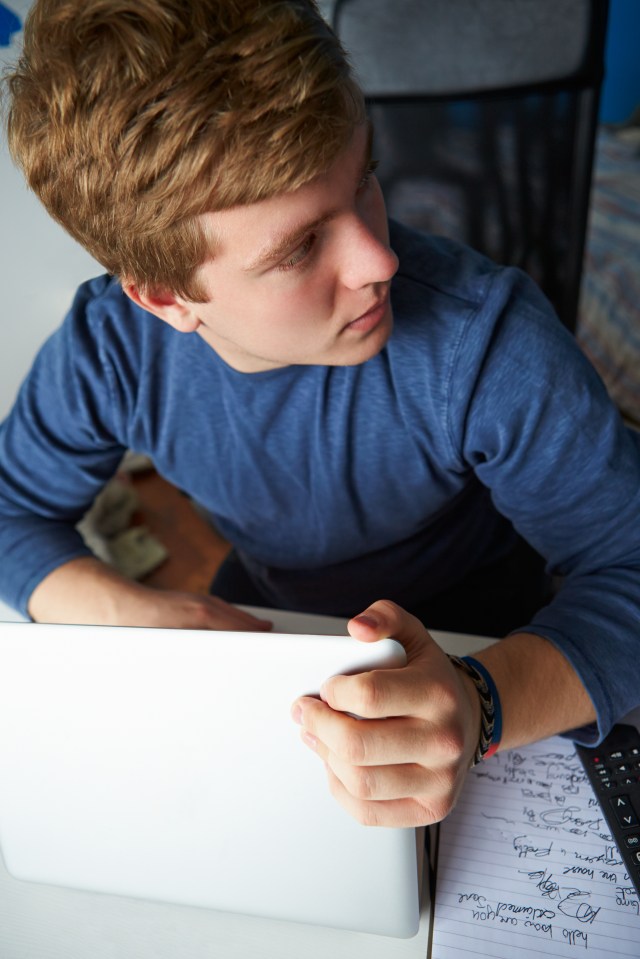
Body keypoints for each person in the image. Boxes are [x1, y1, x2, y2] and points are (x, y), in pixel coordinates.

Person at [1, 0, 639, 829]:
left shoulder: (486, 345)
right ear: (168, 296)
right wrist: (138, 611)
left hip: (492, 641)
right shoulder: (110, 351)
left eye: (365, 175)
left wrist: (482, 699)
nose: (381, 258)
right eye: (300, 247)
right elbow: (11, 509)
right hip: (275, 639)